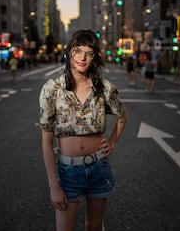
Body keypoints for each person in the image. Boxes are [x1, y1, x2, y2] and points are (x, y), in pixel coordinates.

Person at [39, 29, 128, 231]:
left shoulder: (104, 88)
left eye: (89, 52)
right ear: (69, 52)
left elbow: (123, 115)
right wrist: (54, 185)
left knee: (94, 226)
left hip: (99, 167)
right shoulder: (52, 89)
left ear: (95, 56)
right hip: (68, 169)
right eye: (78, 50)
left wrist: (112, 142)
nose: (82, 57)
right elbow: (46, 141)